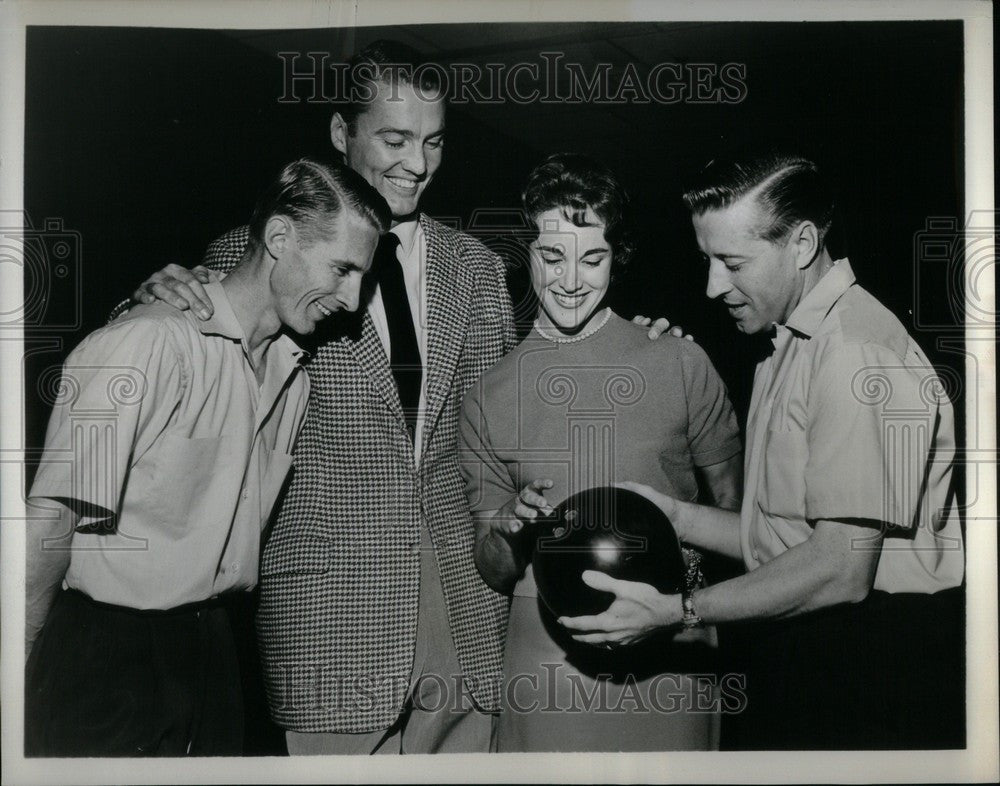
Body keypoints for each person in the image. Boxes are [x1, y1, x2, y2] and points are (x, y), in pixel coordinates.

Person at [558, 150, 966, 750]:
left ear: (801, 244)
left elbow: (838, 570)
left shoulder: (854, 350)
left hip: (872, 657)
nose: (712, 285)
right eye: (706, 260)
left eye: (731, 262)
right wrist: (671, 513)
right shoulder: (791, 342)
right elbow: (776, 537)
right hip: (811, 643)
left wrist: (677, 611)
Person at [25, 158, 388, 756]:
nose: (352, 299)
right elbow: (53, 519)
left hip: (215, 653)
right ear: (278, 239)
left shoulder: (291, 377)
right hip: (105, 653)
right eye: (342, 269)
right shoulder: (144, 344)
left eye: (362, 278)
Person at [457, 153, 743, 752]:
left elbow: (743, 522)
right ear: (525, 252)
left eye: (593, 258)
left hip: (673, 645)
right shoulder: (489, 394)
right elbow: (493, 568)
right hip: (548, 656)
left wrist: (684, 598)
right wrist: (510, 529)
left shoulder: (679, 360)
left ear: (619, 256)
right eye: (552, 256)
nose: (570, 281)